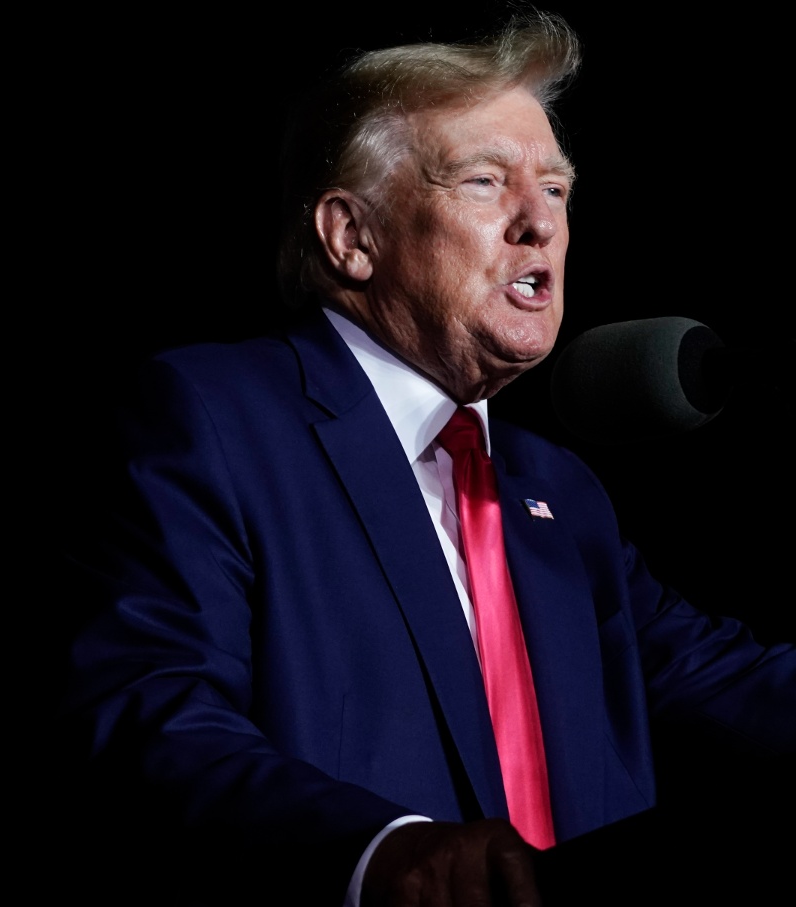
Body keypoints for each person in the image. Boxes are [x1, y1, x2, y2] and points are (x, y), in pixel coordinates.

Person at [58, 9, 794, 906]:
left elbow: (726, 683)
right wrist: (383, 852)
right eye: (485, 181)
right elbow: (153, 713)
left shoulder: (558, 491)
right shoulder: (216, 418)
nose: (539, 225)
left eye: (557, 191)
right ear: (351, 237)